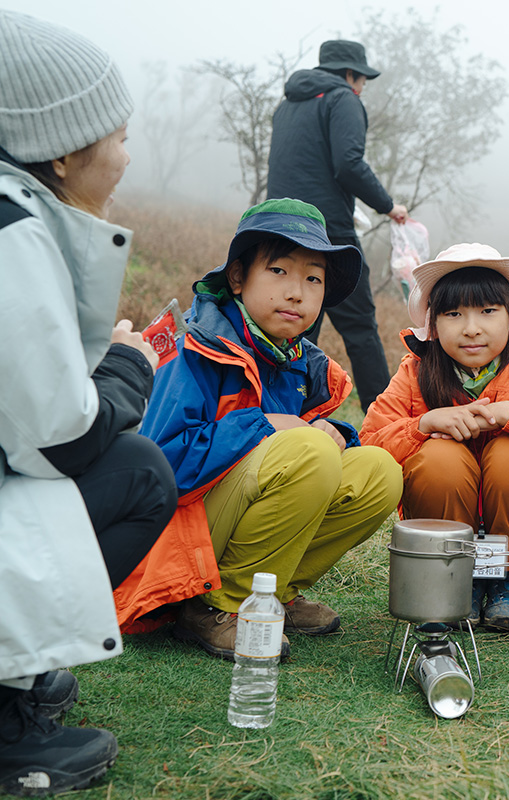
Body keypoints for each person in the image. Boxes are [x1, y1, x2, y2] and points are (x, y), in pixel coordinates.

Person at [0, 10, 176, 794]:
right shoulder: (12, 229)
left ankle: (19, 669)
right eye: (120, 137)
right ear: (65, 151)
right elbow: (56, 441)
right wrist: (130, 368)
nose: (128, 156)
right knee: (139, 473)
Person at [132, 199, 403, 660]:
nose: (296, 293)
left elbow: (288, 453)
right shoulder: (195, 349)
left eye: (313, 279)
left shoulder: (293, 361)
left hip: (232, 510)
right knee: (307, 451)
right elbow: (158, 470)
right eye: (279, 271)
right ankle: (217, 606)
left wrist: (331, 432)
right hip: (174, 537)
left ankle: (273, 593)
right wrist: (265, 426)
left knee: (378, 472)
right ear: (238, 277)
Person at [361, 243, 509, 633]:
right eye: (453, 314)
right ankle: (454, 584)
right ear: (433, 324)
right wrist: (423, 425)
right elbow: (367, 452)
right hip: (440, 550)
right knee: (439, 457)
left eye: (488, 311)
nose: (471, 328)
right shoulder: (415, 372)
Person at [268, 39, 408, 413]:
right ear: (349, 74)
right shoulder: (342, 99)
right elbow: (349, 165)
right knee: (359, 327)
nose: (361, 88)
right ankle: (386, 421)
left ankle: (284, 414)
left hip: (279, 232)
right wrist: (388, 206)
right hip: (327, 233)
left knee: (295, 326)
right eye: (361, 79)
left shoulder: (287, 105)